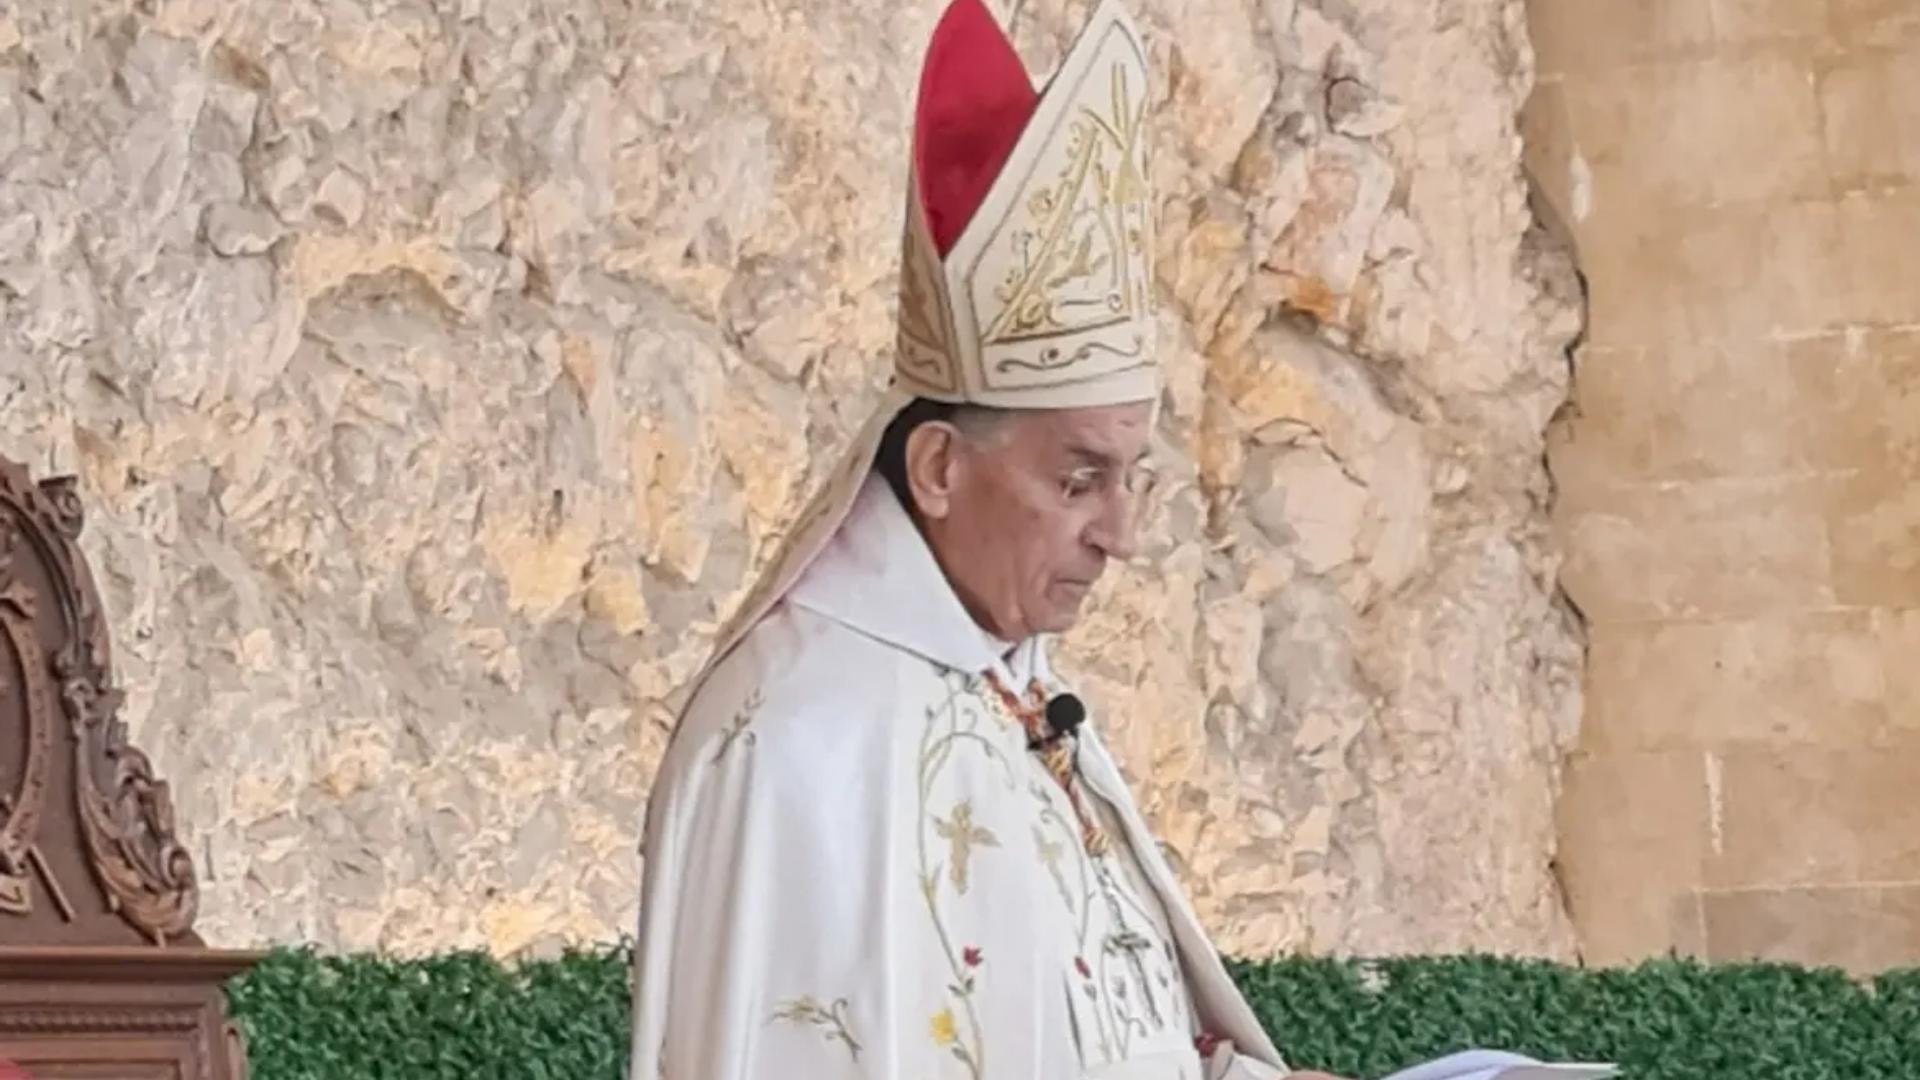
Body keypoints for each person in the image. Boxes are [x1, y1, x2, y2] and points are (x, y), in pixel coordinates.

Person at [626, 4, 1597, 1080]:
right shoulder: (793, 741)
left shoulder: (1013, 691)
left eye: (1133, 478)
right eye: (1078, 480)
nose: (1122, 536)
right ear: (940, 468)